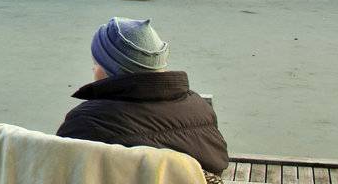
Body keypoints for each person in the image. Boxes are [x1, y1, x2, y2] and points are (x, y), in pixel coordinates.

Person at [56, 16, 228, 175]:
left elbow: (60, 179)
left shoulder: (86, 122)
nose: (93, 68)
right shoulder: (199, 107)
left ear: (107, 68)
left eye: (96, 62)